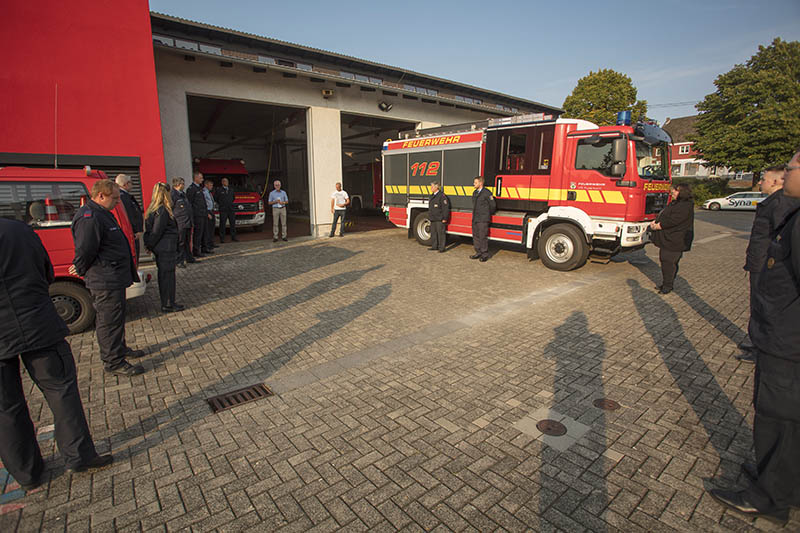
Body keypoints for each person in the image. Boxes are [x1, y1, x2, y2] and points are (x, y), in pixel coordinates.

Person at [709, 149, 800, 524]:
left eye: (792, 167)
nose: (786, 173)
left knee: (778, 418)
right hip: (784, 338)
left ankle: (767, 499)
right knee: (786, 421)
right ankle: (779, 482)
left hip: (788, 345)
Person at [0, 219, 113, 489]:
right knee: (61, 391)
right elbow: (46, 271)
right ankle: (79, 456)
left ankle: (27, 474)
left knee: (6, 408)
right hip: (37, 325)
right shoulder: (17, 230)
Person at [70, 180, 145, 376]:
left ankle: (120, 349)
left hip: (113, 277)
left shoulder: (103, 214)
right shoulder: (90, 217)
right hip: (104, 279)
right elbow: (85, 250)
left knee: (116, 317)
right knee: (108, 320)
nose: (118, 202)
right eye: (115, 198)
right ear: (101, 195)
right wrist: (81, 268)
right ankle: (113, 362)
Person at [738, 166, 800, 363]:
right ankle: (756, 341)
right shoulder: (774, 201)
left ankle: (760, 349)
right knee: (757, 305)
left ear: (774, 182)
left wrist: (768, 263)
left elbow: (779, 237)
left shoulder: (781, 202)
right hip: (760, 261)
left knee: (764, 307)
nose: (759, 182)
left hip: (766, 262)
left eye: (763, 179)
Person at [144, 183, 184, 313]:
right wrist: (150, 245)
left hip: (163, 248)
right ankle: (168, 304)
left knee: (166, 276)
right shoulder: (162, 211)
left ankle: (168, 302)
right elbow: (156, 231)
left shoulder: (155, 210)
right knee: (167, 277)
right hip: (165, 249)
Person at [648, 183, 694, 295]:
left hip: (675, 240)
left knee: (668, 262)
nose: (672, 193)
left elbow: (674, 220)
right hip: (671, 239)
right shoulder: (677, 203)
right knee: (669, 262)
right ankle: (667, 283)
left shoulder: (684, 205)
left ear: (682, 192)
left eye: (674, 191)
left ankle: (667, 286)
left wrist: (659, 226)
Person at [116, 174, 143, 263]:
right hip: (131, 234)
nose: (132, 185)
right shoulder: (123, 197)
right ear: (125, 184)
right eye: (131, 183)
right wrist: (135, 230)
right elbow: (129, 215)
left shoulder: (124, 196)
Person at [170, 177, 195, 267]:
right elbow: (171, 210)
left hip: (187, 221)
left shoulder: (183, 194)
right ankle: (179, 260)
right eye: (183, 184)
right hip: (180, 222)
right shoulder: (173, 195)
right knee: (180, 242)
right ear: (178, 184)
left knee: (187, 241)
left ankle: (189, 258)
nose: (184, 185)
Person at [470, 176, 495, 262]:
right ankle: (478, 252)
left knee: (482, 236)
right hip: (475, 218)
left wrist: (486, 214)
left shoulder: (487, 193)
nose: (474, 184)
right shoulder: (475, 193)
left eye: (475, 182)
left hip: (483, 219)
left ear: (481, 183)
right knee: (476, 236)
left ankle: (484, 254)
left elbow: (492, 205)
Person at [185, 171, 207, 258]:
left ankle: (200, 249)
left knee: (201, 233)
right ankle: (196, 250)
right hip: (197, 215)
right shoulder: (191, 189)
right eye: (201, 178)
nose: (202, 180)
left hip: (202, 214)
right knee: (197, 234)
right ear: (196, 178)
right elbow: (189, 203)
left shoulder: (199, 188)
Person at [428, 181, 450, 253]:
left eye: (432, 186)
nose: (431, 188)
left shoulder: (442, 196)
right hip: (433, 218)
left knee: (441, 234)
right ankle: (434, 246)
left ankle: (441, 248)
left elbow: (445, 208)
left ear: (437, 187)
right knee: (433, 233)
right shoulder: (432, 196)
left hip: (439, 218)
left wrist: (444, 218)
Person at [216, 177, 238, 243]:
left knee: (233, 224)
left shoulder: (231, 189)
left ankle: (233, 237)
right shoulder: (219, 190)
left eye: (227, 181)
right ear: (222, 182)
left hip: (231, 209)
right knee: (222, 224)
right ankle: (222, 238)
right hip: (223, 209)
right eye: (225, 181)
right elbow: (216, 198)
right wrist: (222, 204)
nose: (226, 183)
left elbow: (233, 198)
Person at [202, 179, 216, 254]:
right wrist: (207, 213)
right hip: (208, 211)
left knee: (211, 228)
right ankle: (207, 246)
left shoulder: (208, 192)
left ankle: (211, 243)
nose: (212, 187)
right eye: (210, 185)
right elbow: (204, 203)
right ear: (206, 185)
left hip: (211, 210)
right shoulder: (204, 192)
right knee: (208, 230)